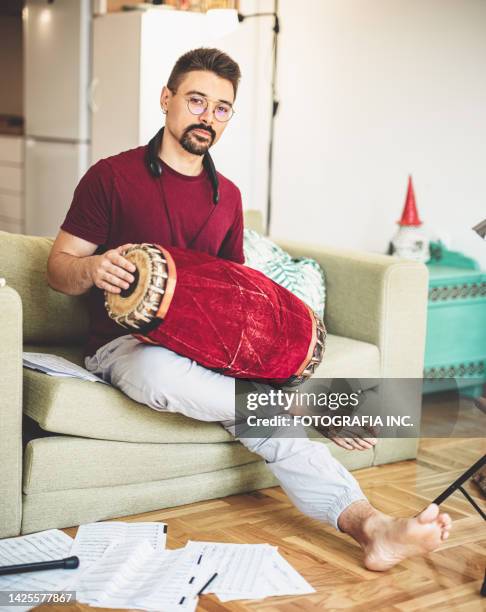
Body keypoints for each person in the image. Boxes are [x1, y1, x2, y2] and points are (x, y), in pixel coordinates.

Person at [47, 47, 452, 571]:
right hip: (126, 346)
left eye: (221, 108)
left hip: (207, 352)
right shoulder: (111, 177)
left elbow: (238, 303)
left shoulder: (229, 197)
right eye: (196, 101)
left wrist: (280, 376)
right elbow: (58, 267)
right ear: (166, 99)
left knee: (263, 415)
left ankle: (372, 528)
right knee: (158, 373)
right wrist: (94, 268)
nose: (207, 117)